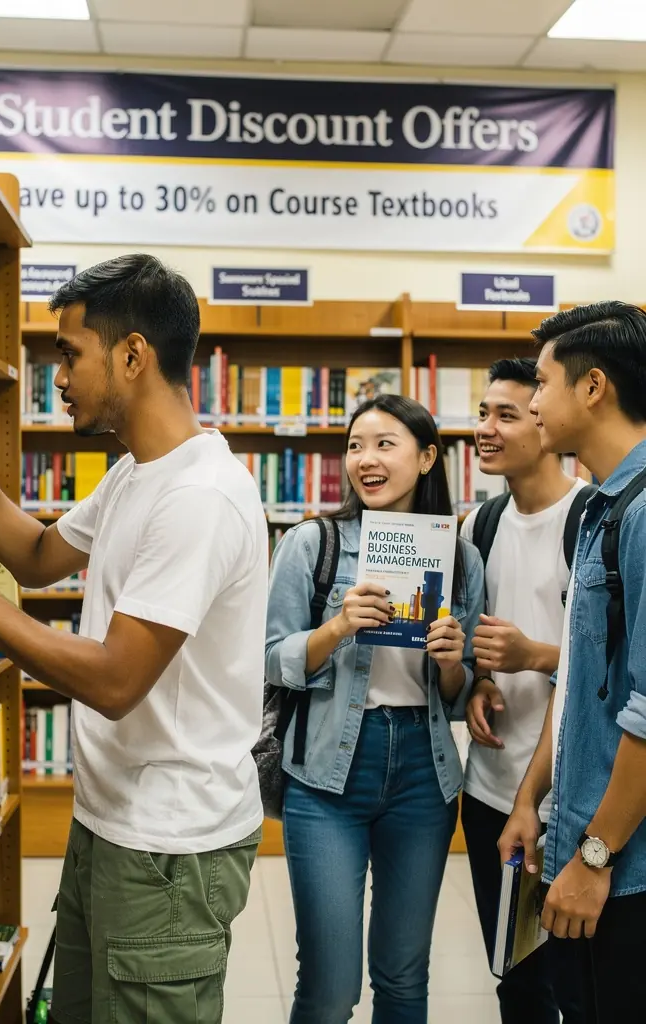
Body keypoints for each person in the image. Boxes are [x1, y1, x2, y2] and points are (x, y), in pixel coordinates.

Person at [0, 254, 268, 1024]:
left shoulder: (198, 498)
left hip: (168, 848)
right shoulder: (136, 475)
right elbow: (36, 555)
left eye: (68, 354)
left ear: (132, 355)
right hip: (112, 823)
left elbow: (117, 682)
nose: (57, 375)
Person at [265, 394, 484, 1024]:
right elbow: (271, 658)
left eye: (385, 444)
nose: (366, 459)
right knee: (331, 987)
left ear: (427, 457)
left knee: (403, 976)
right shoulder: (314, 543)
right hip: (329, 775)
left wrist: (451, 664)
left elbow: (465, 696)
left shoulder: (460, 557)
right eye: (356, 445)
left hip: (424, 773)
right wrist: (336, 628)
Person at [498, 301, 646, 1021]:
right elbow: (580, 683)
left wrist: (594, 859)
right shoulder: (600, 510)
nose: (532, 402)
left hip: (623, 871)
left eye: (545, 382)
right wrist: (532, 798)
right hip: (575, 841)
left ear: (593, 388)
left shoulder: (645, 512)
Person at [459, 357, 587, 1023]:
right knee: (516, 981)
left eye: (505, 415)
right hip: (488, 794)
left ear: (544, 423)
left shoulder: (590, 519)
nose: (485, 428)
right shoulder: (480, 524)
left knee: (578, 987)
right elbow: (482, 641)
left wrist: (534, 654)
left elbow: (616, 669)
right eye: (483, 412)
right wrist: (481, 679)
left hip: (565, 802)